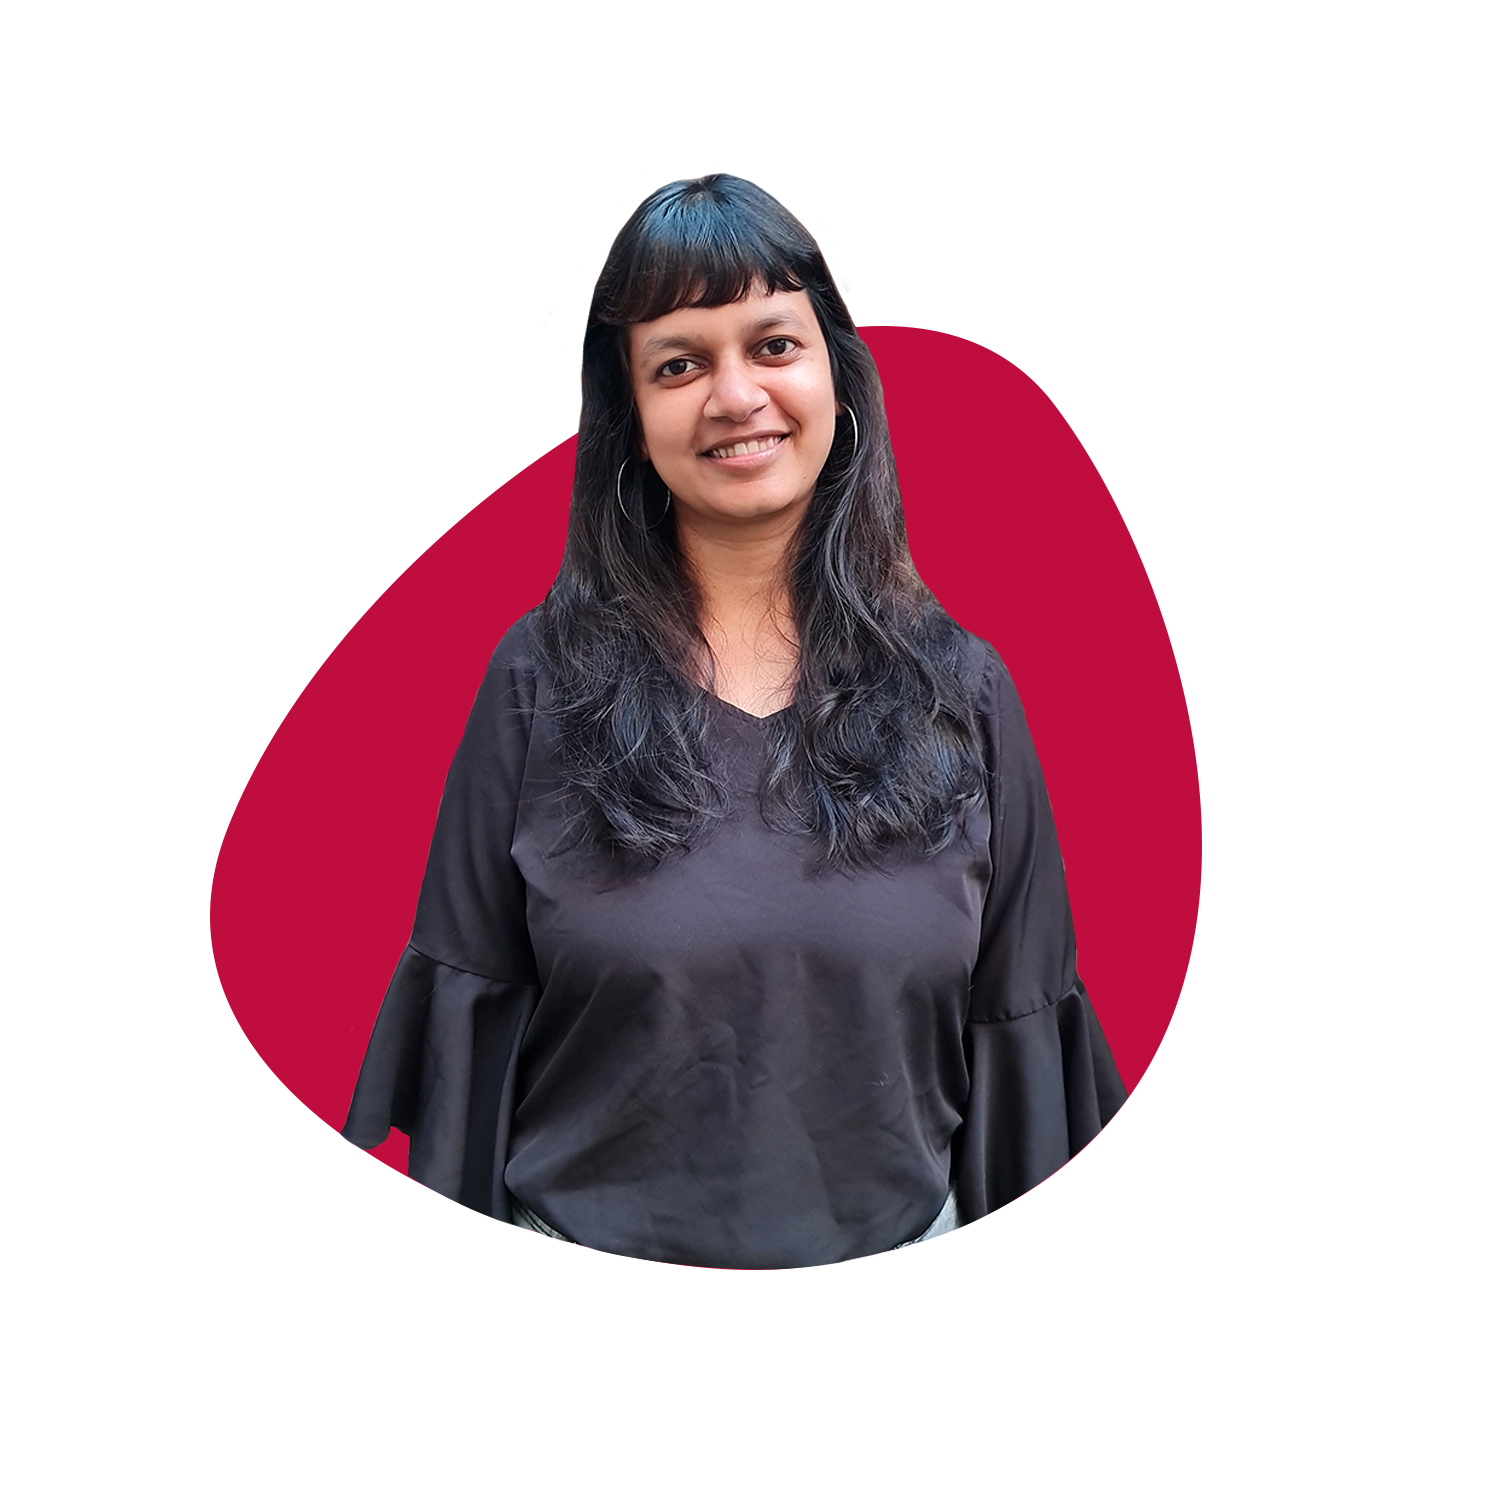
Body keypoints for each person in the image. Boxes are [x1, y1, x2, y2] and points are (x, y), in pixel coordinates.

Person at [342, 174, 1127, 1269]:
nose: (735, 394)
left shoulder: (968, 691)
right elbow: (468, 1045)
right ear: (628, 417)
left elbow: (1019, 1052)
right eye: (679, 363)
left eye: (773, 345)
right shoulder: (535, 682)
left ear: (837, 376)